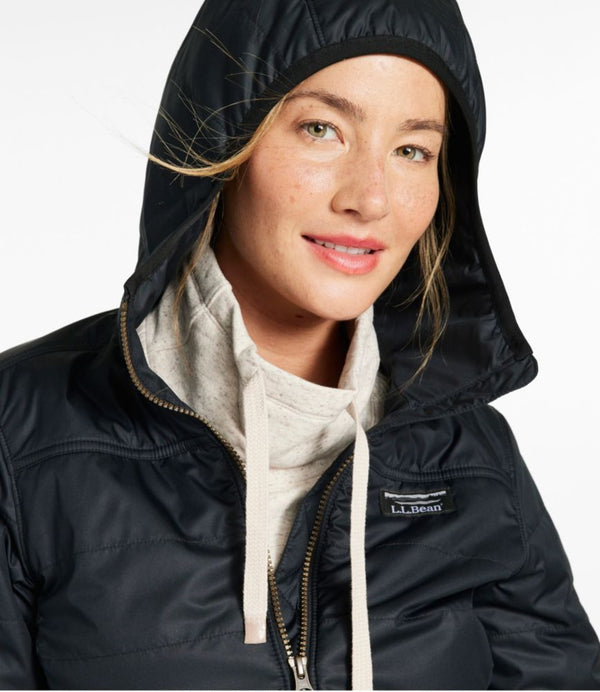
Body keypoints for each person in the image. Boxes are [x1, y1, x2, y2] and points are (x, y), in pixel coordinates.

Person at [0, 0, 599, 689]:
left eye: (412, 150)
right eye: (322, 129)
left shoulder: (472, 456)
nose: (370, 198)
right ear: (223, 137)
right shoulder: (20, 436)